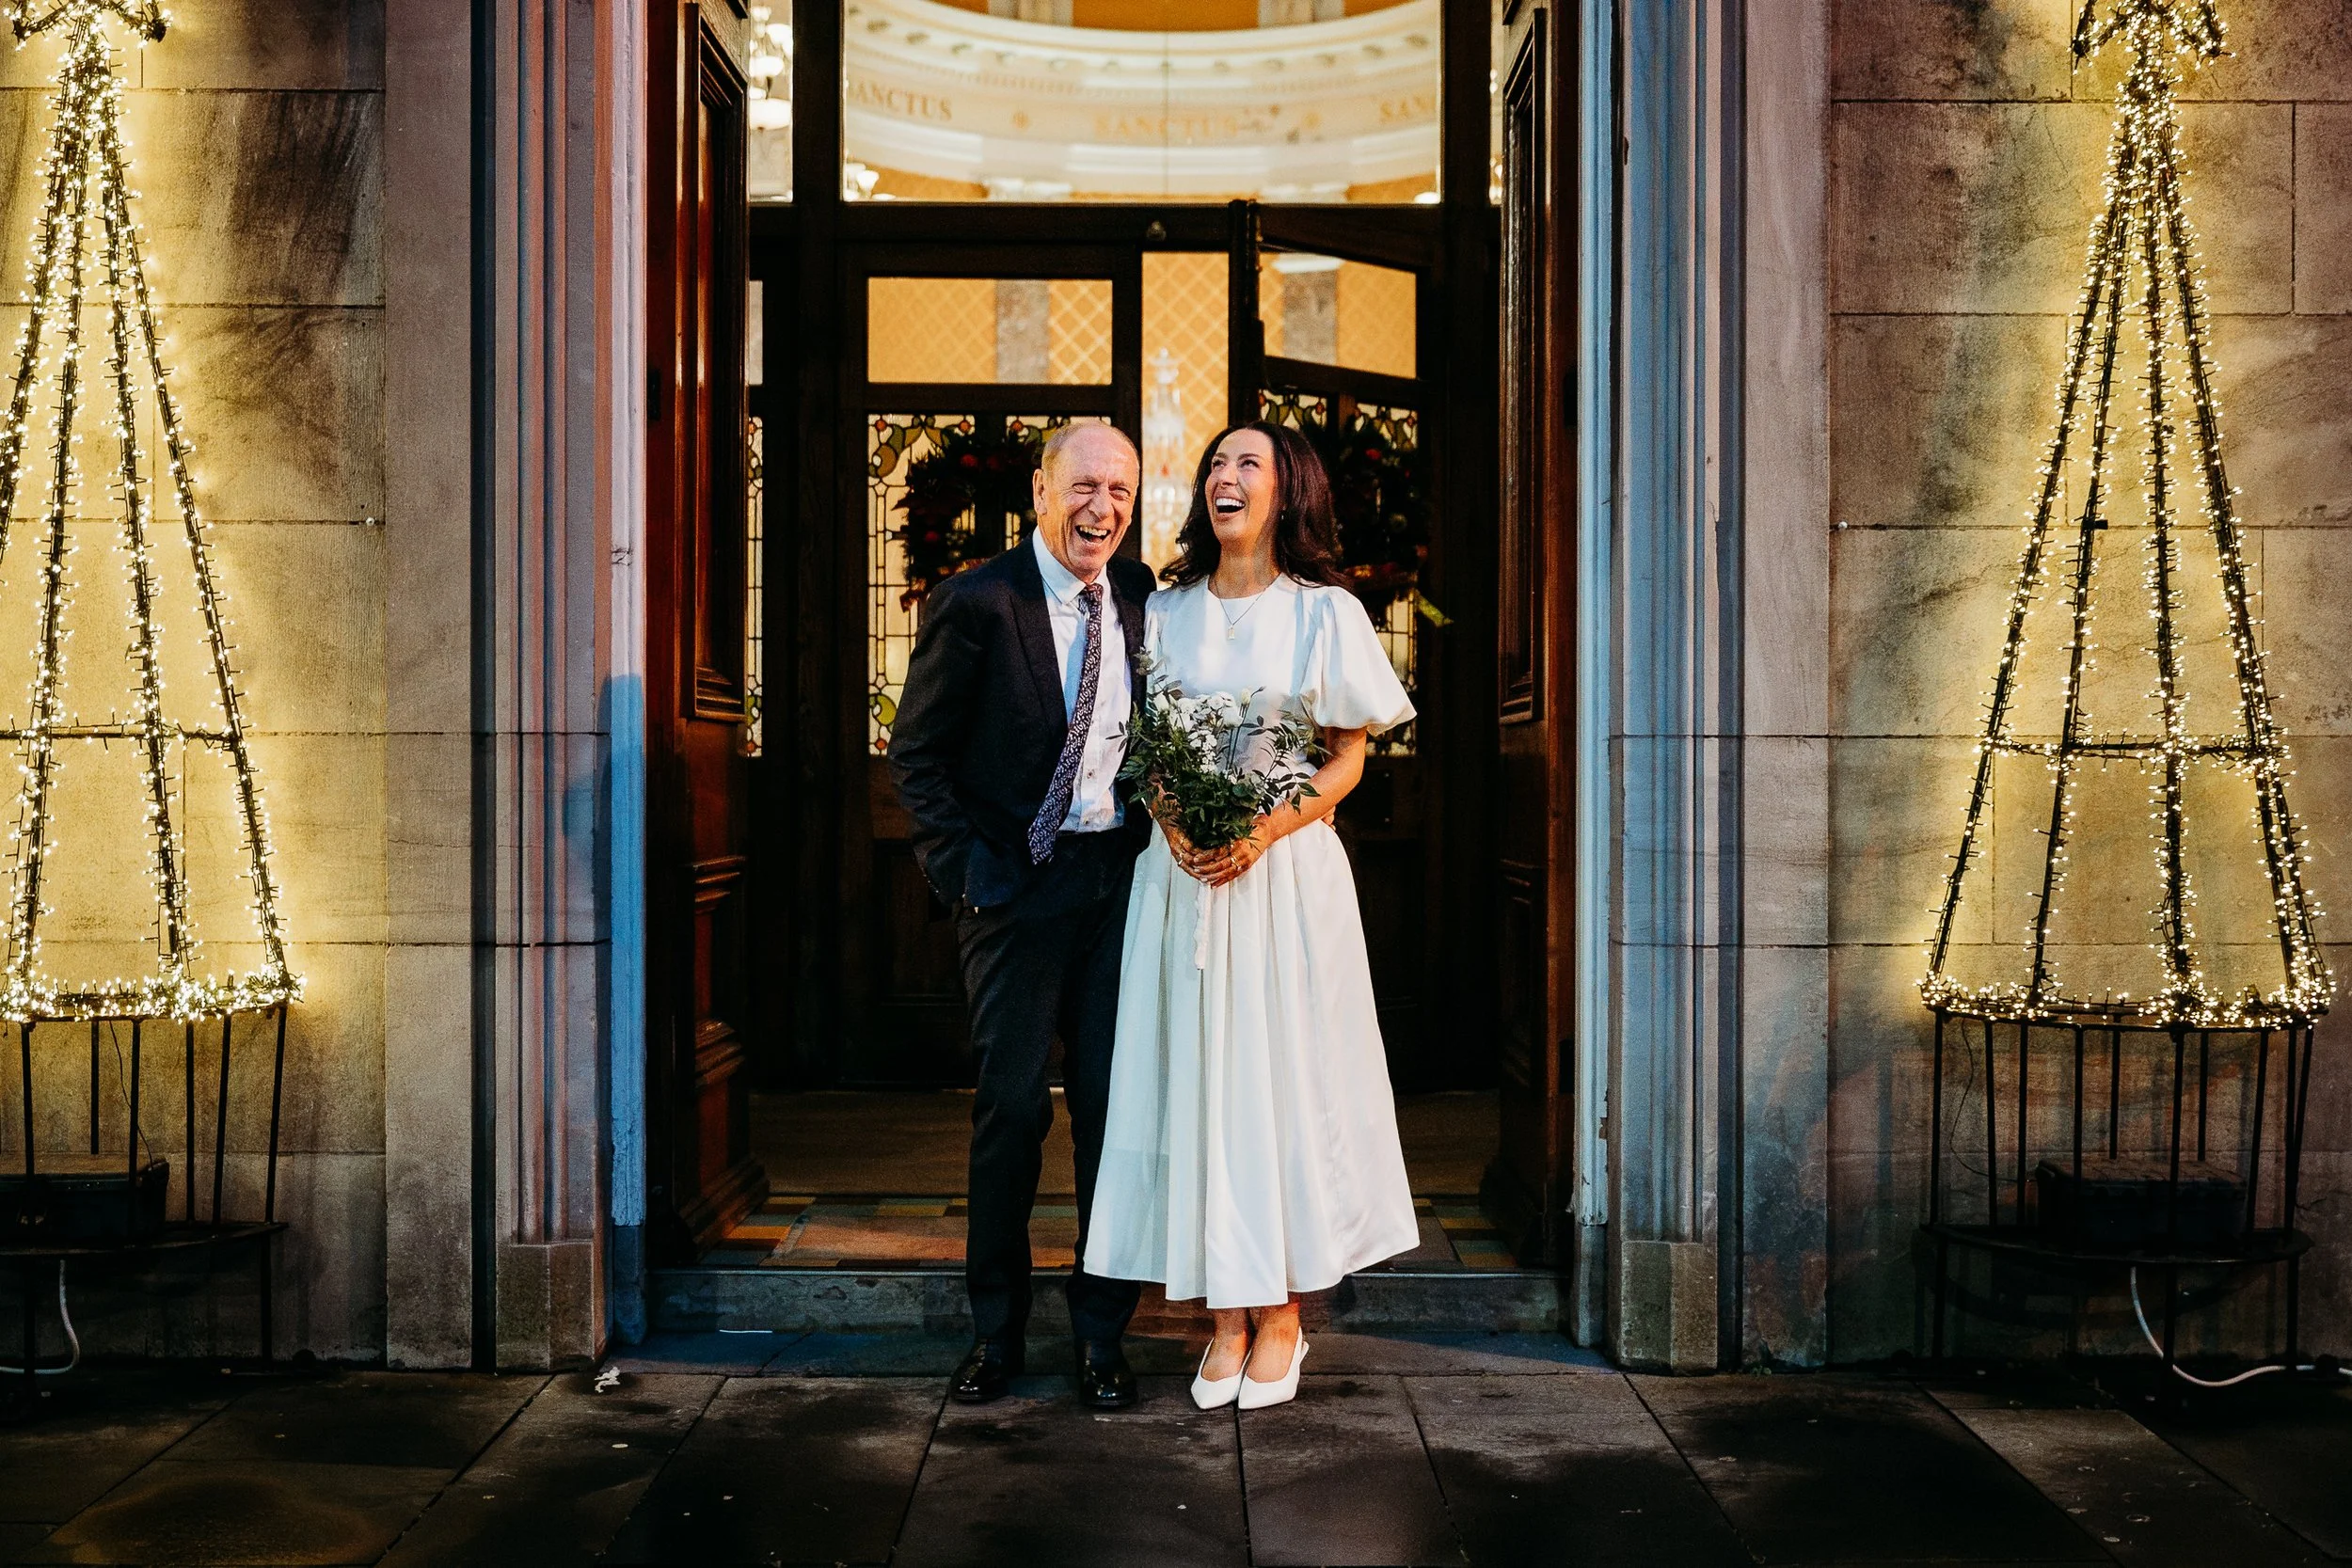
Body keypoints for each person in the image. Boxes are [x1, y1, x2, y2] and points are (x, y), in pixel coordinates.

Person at [1085, 420, 1419, 1411]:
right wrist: (1175, 820)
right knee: (1197, 1091)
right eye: (1217, 465)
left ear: (1287, 492)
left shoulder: (1323, 611)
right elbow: (1134, 742)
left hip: (1283, 880)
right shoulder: (1165, 610)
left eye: (1248, 465)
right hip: (1180, 882)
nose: (1226, 478)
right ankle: (1222, 1314)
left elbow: (1349, 755)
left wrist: (1265, 831)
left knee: (1276, 1088)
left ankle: (1281, 1313)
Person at [887, 422, 1157, 1409]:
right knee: (1010, 1109)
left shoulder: (1140, 598)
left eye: (1121, 490)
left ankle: (1099, 1334)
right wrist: (969, 874)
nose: (1103, 507)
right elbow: (916, 753)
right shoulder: (976, 601)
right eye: (1085, 485)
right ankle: (995, 1333)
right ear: (1042, 490)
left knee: (1109, 1112)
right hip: (1013, 888)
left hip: (1115, 888)